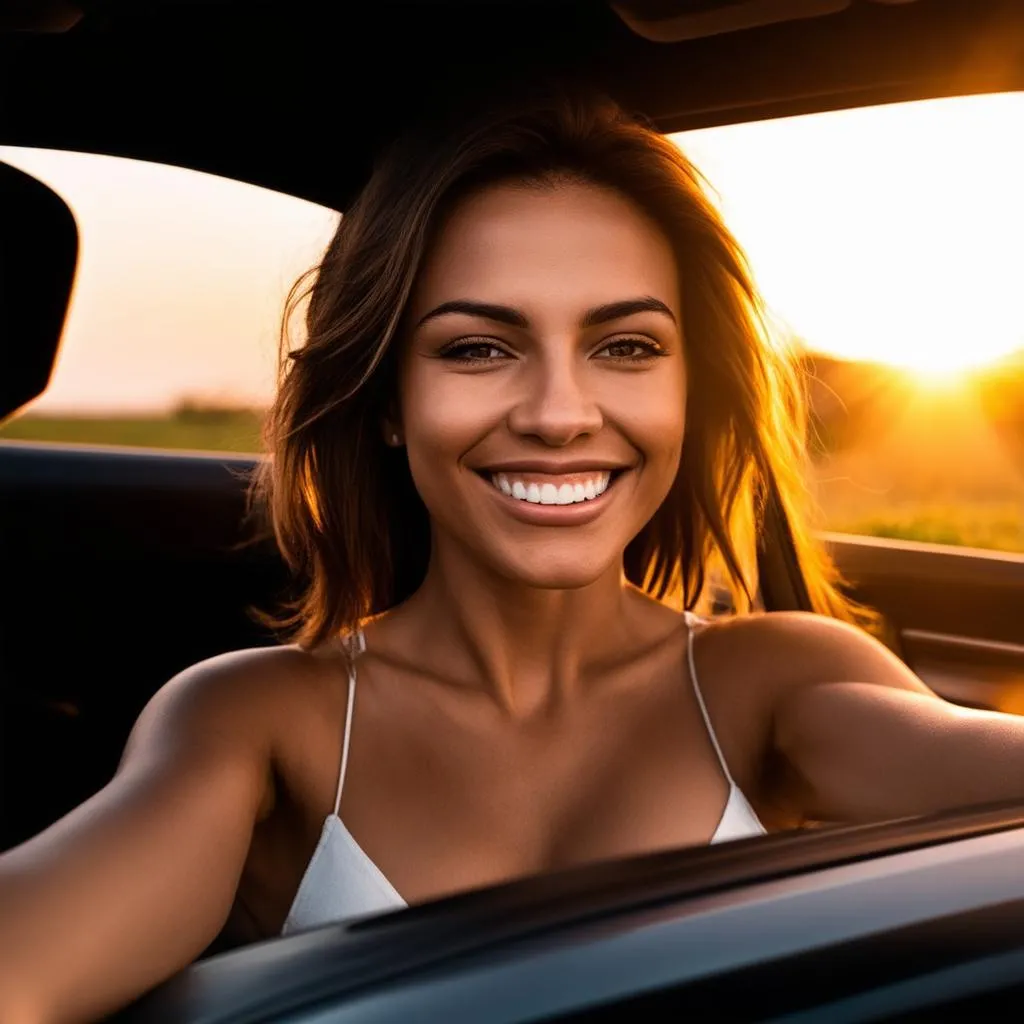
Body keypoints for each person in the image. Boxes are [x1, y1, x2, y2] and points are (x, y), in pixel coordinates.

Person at [2, 80, 1023, 1023]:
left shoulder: (775, 685)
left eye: (624, 346)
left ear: (688, 389)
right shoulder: (263, 721)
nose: (558, 413)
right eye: (477, 347)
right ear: (390, 401)